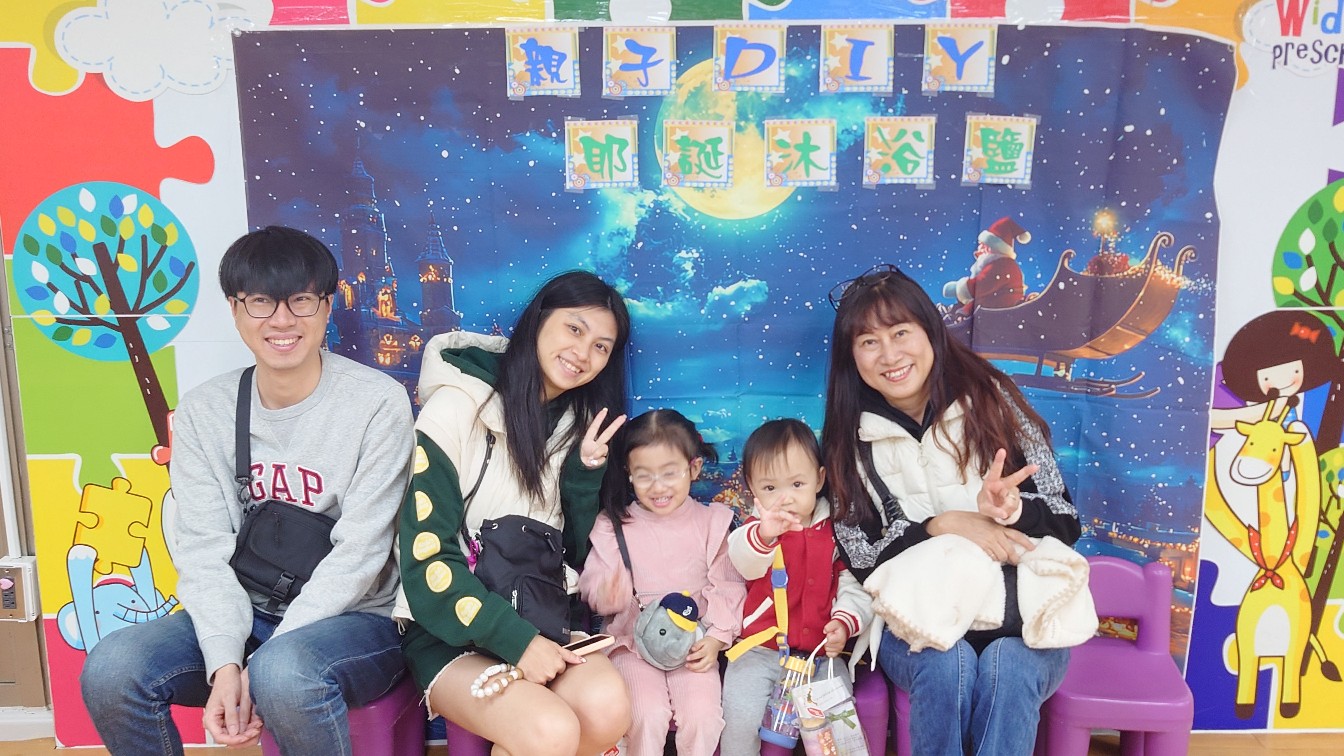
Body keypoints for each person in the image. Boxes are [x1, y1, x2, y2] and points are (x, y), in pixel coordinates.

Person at [80, 225, 415, 755]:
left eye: (301, 300)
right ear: (235, 310)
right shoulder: (204, 410)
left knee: (284, 673)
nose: (282, 321)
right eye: (260, 302)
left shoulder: (377, 402)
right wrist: (224, 663)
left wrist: (258, 665)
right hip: (245, 609)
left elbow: (362, 553)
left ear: (328, 306)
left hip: (356, 620)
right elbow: (202, 549)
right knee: (113, 669)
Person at [822, 264, 1080, 756]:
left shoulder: (995, 402)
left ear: (930, 332)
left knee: (1011, 667)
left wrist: (1013, 510)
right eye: (869, 341)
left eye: (901, 332)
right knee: (947, 665)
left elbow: (1065, 520)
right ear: (851, 356)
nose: (890, 355)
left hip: (1022, 614)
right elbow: (861, 556)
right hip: (916, 620)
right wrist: (941, 526)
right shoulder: (846, 441)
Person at [396, 270, 633, 756]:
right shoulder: (455, 406)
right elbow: (426, 559)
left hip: (539, 618)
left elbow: (570, 556)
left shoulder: (578, 427)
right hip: (451, 631)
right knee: (549, 731)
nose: (582, 353)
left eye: (601, 347)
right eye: (574, 328)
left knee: (608, 709)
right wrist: (517, 641)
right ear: (539, 319)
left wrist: (585, 475)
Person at [579, 409, 744, 756]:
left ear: (694, 468)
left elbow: (727, 585)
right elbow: (595, 584)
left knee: (703, 718)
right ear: (629, 474)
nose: (658, 487)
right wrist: (607, 590)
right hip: (631, 645)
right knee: (645, 715)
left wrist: (716, 639)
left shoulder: (713, 523)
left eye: (670, 473)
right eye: (644, 476)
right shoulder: (614, 525)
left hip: (693, 646)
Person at [721, 418, 872, 755]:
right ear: (751, 487)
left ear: (819, 479)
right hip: (760, 651)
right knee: (739, 718)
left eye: (797, 484)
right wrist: (764, 535)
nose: (785, 498)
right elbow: (744, 561)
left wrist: (845, 622)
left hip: (821, 655)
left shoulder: (837, 530)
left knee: (840, 724)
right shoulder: (754, 531)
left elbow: (853, 584)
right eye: (770, 488)